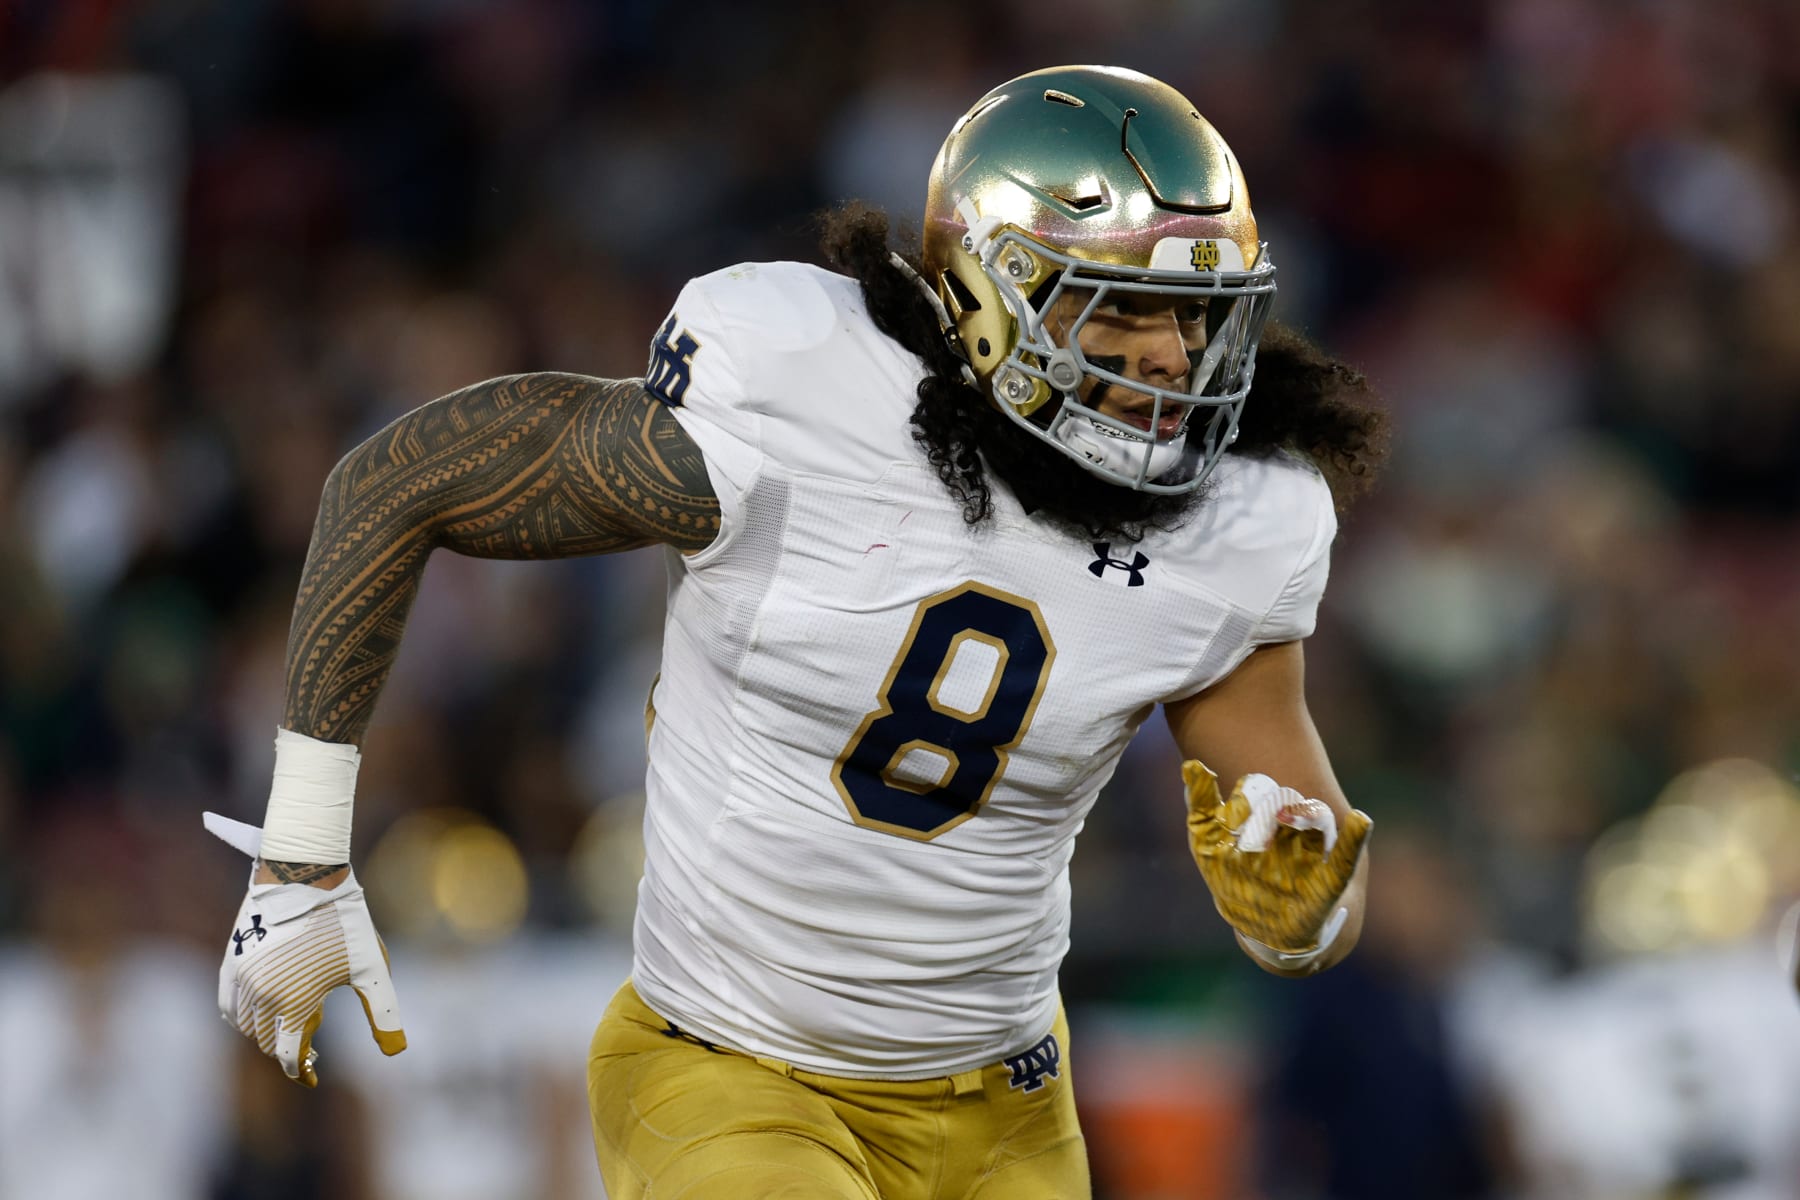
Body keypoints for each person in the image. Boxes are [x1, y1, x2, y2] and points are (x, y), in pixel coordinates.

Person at [208, 64, 1386, 1199]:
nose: (1174, 356)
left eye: (1193, 313)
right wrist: (300, 849)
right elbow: (395, 482)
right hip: (732, 1071)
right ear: (986, 291)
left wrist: (1303, 907)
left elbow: (1293, 836)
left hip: (1010, 1111)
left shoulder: (1240, 520)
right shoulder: (804, 398)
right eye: (1123, 309)